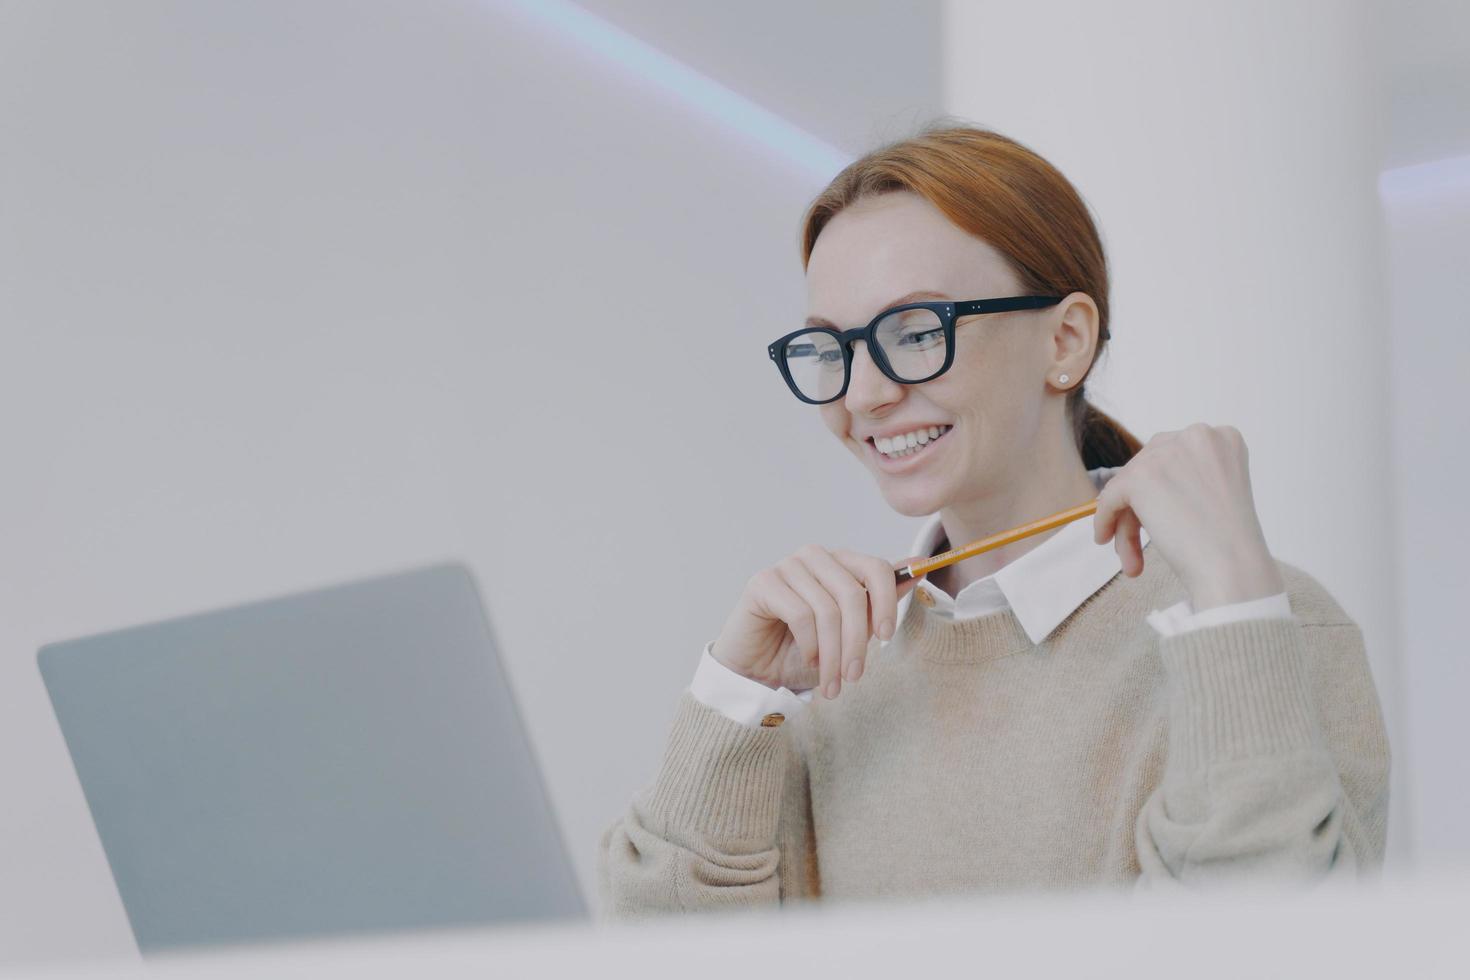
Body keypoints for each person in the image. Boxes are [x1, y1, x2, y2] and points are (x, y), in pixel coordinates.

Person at [596, 121, 1390, 916]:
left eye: (915, 331)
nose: (863, 396)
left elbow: (1265, 944)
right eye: (830, 348)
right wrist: (735, 697)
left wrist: (1235, 607)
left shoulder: (1259, 625)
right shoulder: (829, 671)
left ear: (1066, 340)